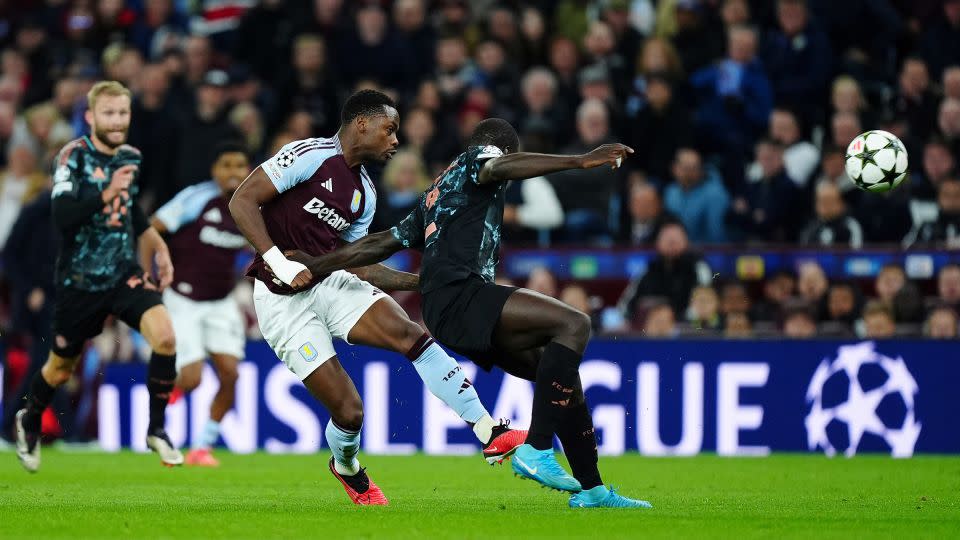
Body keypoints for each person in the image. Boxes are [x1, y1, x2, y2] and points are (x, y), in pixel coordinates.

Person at [287, 118, 651, 509]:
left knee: (561, 377)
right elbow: (496, 166)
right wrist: (580, 161)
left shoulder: (436, 193)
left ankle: (593, 491)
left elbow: (378, 243)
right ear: (502, 150)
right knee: (575, 323)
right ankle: (537, 450)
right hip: (465, 298)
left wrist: (319, 264)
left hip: (447, 312)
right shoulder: (479, 159)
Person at [228, 91, 524, 506]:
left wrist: (427, 282)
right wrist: (277, 260)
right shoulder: (309, 155)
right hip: (281, 302)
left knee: (412, 335)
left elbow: (359, 263)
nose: (396, 140)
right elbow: (242, 200)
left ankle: (488, 430)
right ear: (361, 123)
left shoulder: (364, 194)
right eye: (390, 129)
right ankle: (346, 466)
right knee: (350, 413)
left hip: (328, 284)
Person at [14, 81, 182, 473]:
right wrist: (106, 192)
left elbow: (131, 212)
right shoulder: (71, 158)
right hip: (79, 282)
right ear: (90, 117)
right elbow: (63, 217)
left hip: (123, 273)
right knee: (59, 368)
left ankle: (157, 429)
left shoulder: (130, 157)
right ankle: (29, 418)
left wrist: (158, 244)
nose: (117, 120)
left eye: (123, 112)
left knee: (166, 338)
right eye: (109, 113)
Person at [149, 142, 251, 467]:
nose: (233, 172)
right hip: (183, 299)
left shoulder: (253, 207)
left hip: (221, 300)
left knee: (231, 374)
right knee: (192, 379)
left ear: (249, 171)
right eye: (226, 165)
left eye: (239, 165)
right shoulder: (197, 197)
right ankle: (161, 417)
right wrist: (153, 266)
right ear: (215, 171)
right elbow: (153, 227)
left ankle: (202, 448)